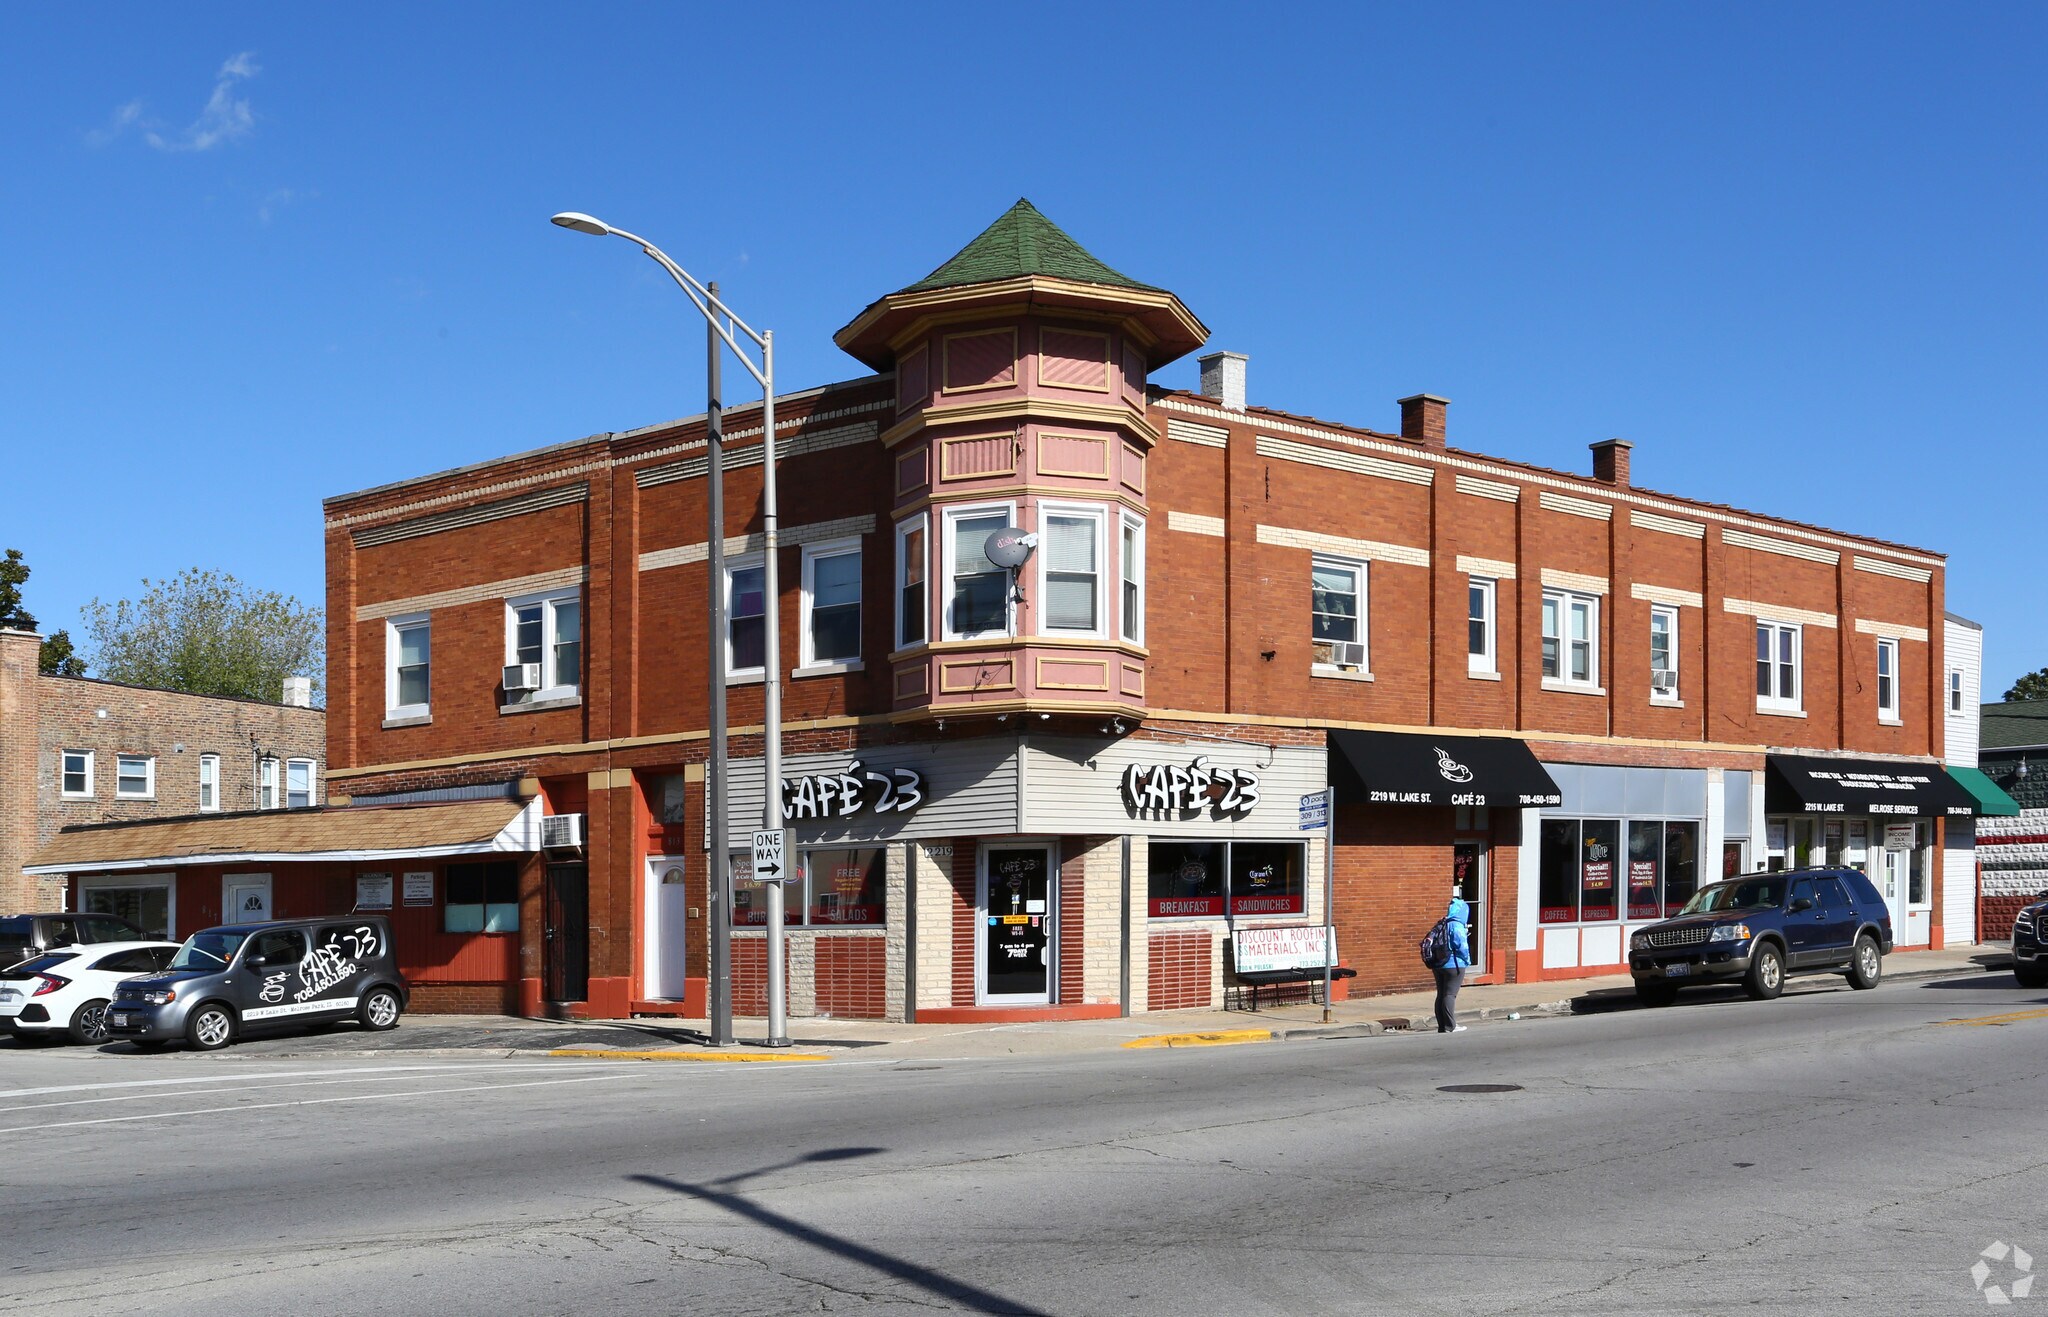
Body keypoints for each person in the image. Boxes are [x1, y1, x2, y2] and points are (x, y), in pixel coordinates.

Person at [1434, 896, 1473, 1034]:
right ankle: (1451, 1026)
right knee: (1450, 995)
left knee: (1441, 995)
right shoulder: (1456, 925)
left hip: (1439, 964)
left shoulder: (1442, 923)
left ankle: (1442, 1025)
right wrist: (1467, 959)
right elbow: (1461, 946)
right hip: (1454, 963)